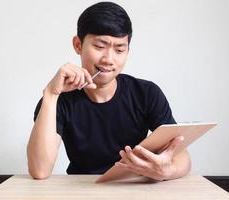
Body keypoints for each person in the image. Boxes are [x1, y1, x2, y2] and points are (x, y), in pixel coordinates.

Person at [27, 2, 191, 180]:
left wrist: (168, 170)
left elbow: (182, 156)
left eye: (119, 49)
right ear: (78, 45)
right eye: (99, 46)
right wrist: (51, 95)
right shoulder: (59, 100)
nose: (108, 59)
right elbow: (39, 170)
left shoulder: (146, 93)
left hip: (133, 187)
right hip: (81, 190)